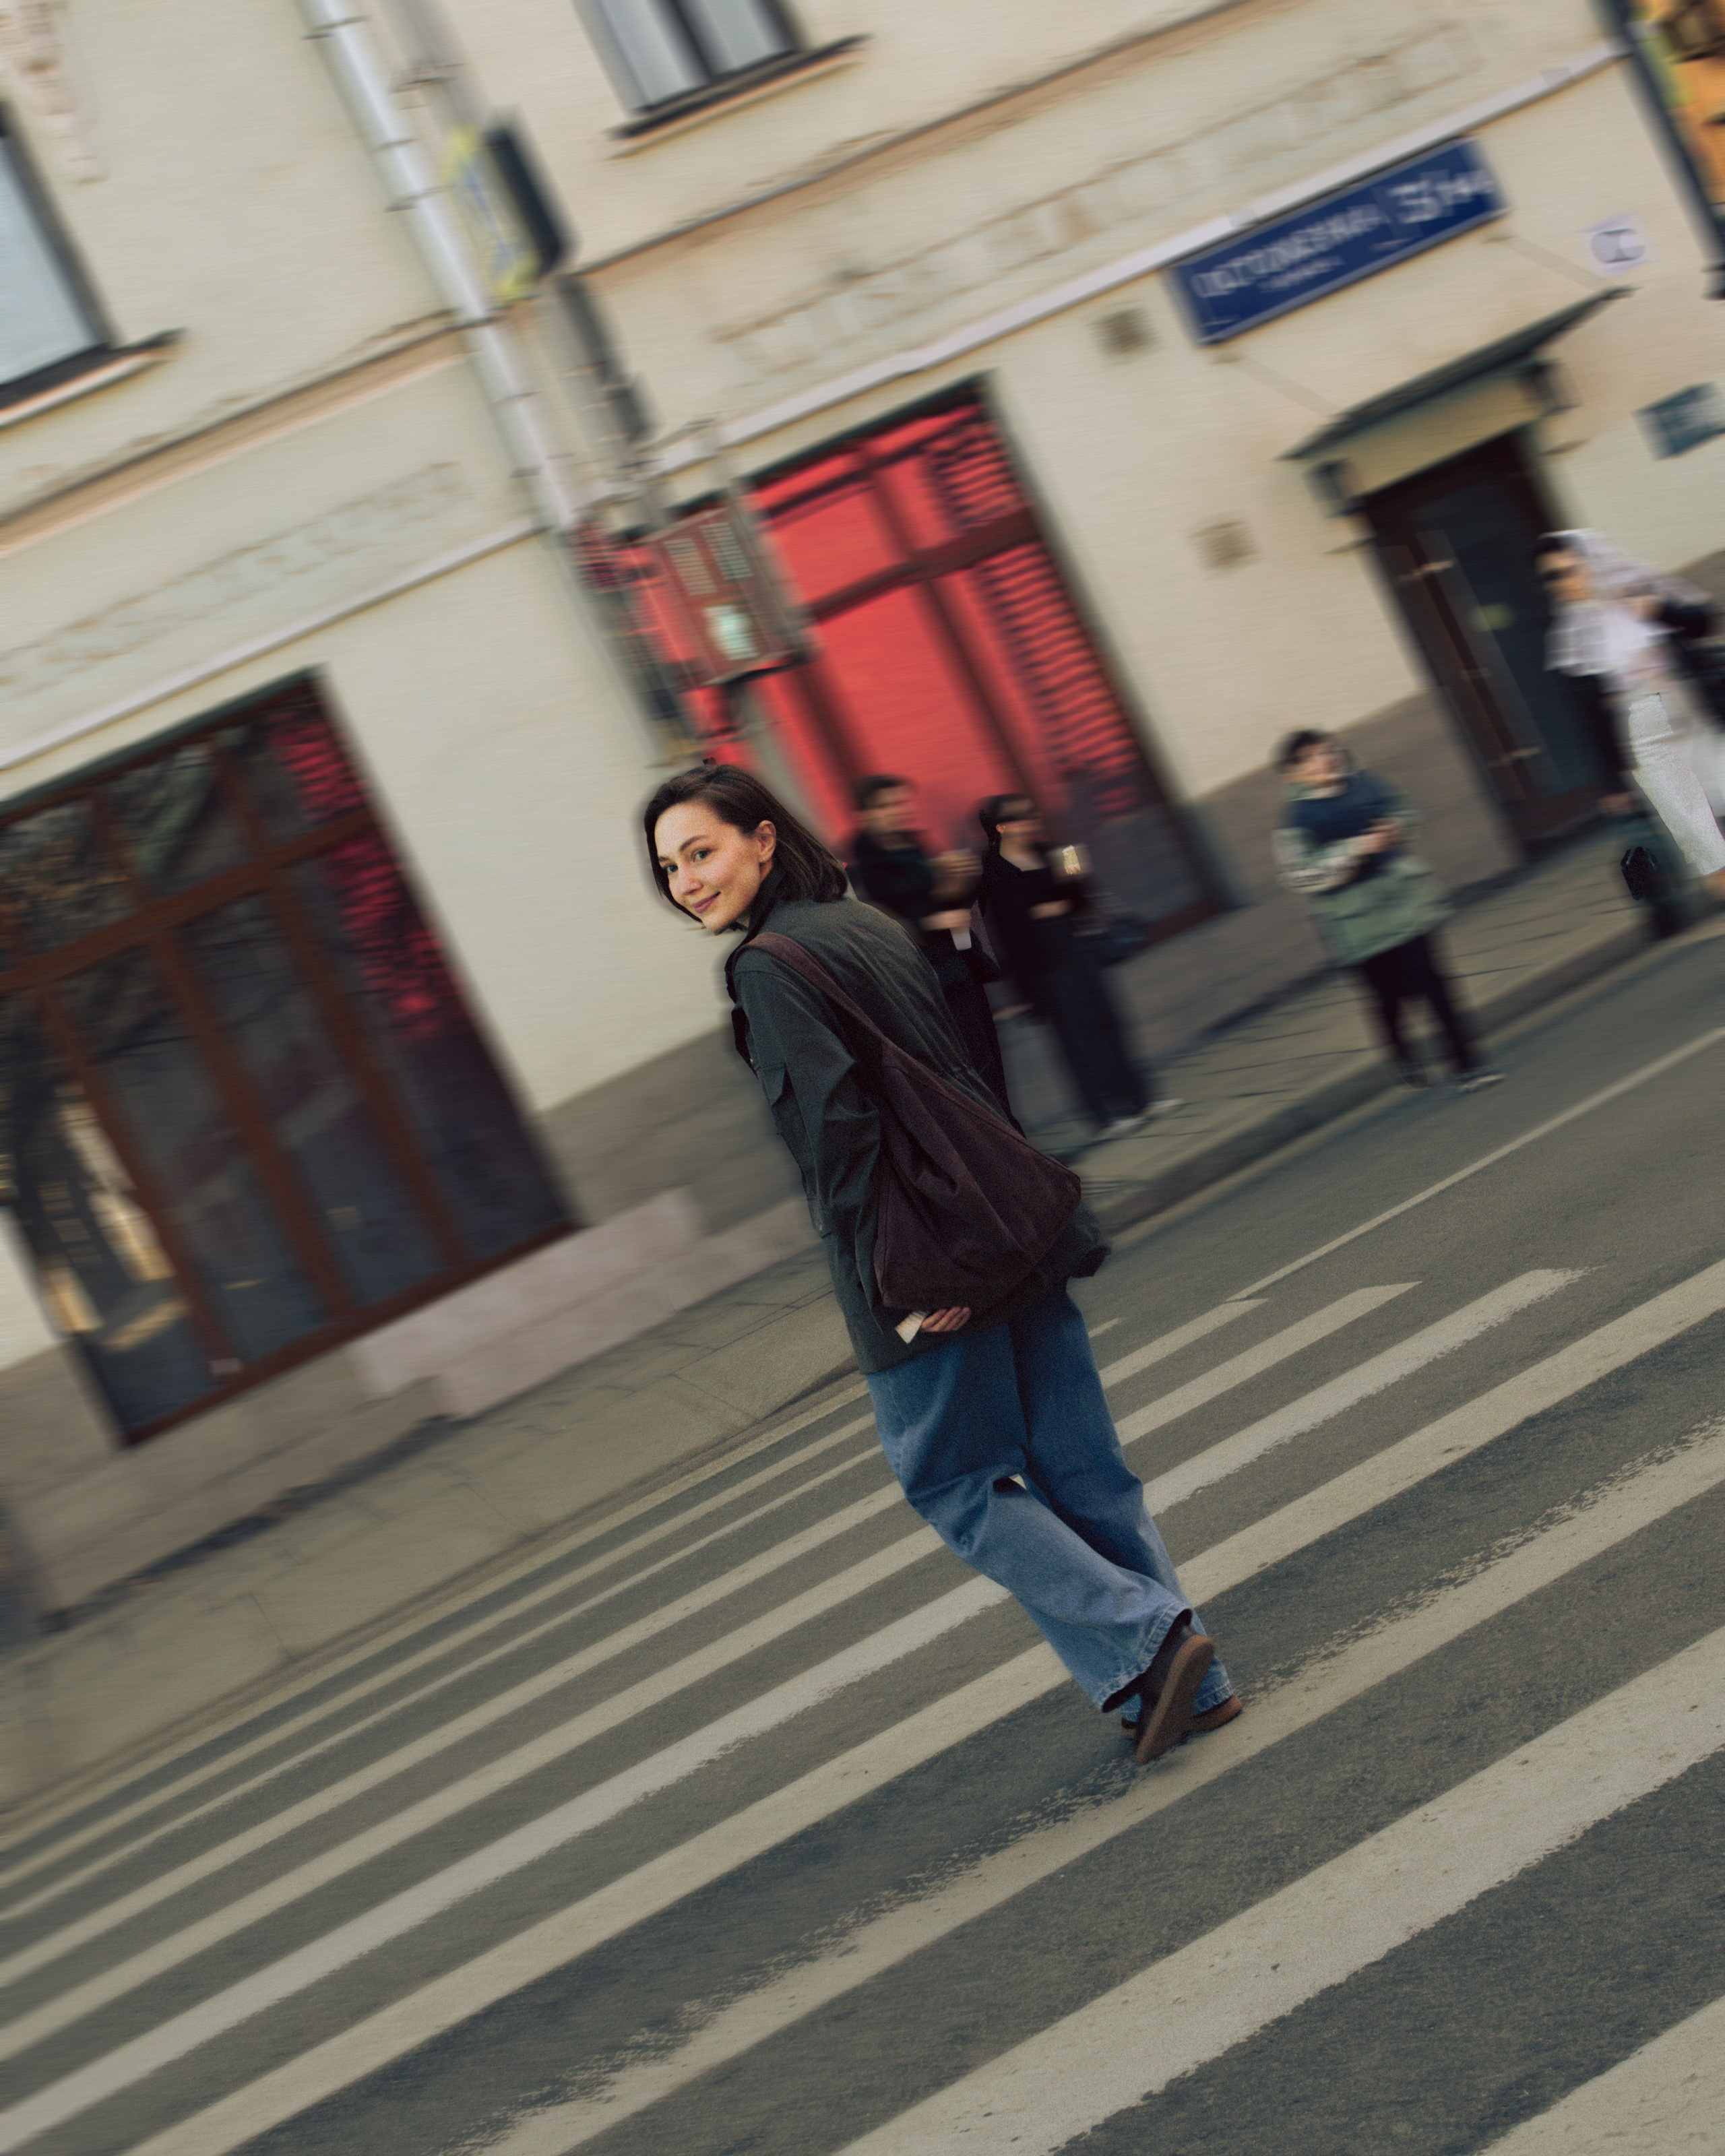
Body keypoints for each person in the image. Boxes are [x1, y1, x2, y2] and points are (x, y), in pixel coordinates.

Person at [644, 761, 1238, 1761]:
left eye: (700, 852)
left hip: (921, 1251)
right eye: (669, 868)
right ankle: (1188, 1686)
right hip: (1006, 1216)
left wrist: (899, 1280)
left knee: (955, 1482)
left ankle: (1149, 1635)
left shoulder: (766, 966)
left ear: (762, 838)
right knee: (1081, 1470)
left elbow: (836, 1137)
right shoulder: (864, 923)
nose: (687, 881)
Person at [1274, 730, 1500, 1093]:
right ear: (1293, 773)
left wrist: (1395, 828)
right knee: (1389, 996)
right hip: (1357, 922)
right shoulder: (1296, 821)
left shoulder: (1367, 783)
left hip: (1403, 900)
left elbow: (1405, 812)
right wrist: (1355, 849)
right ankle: (1401, 1054)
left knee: (1434, 984)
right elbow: (1299, 876)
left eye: (1327, 751)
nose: (1324, 760)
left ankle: (1467, 1065)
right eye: (1310, 757)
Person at [1534, 529, 1725, 899]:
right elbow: (1588, 719)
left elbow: (1704, 623)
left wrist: (1659, 610)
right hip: (1644, 733)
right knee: (1699, 833)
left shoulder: (1637, 591)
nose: (1564, 582)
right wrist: (1612, 784)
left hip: (1695, 714)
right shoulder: (1570, 636)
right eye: (1552, 577)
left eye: (1570, 570)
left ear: (1590, 564)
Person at [976, 794, 1175, 1142]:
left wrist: (1073, 876)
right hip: (1046, 967)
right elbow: (1013, 928)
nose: (1029, 822)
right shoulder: (995, 870)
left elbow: (1079, 900)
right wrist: (1053, 906)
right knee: (1077, 1042)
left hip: (1080, 951)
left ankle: (1141, 1099)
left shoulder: (1054, 851)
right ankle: (1104, 1115)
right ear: (1001, 826)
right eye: (1019, 817)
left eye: (1032, 814)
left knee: (1110, 1025)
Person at [847, 773, 1012, 1113]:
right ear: (865, 813)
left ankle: (1012, 1133)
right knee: (963, 1065)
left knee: (990, 1055)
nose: (897, 811)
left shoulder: (914, 845)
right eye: (886, 806)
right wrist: (930, 921)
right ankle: (995, 1137)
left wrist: (957, 882)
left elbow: (945, 898)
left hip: (958, 961)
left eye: (901, 803)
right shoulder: (862, 865)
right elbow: (875, 924)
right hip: (922, 975)